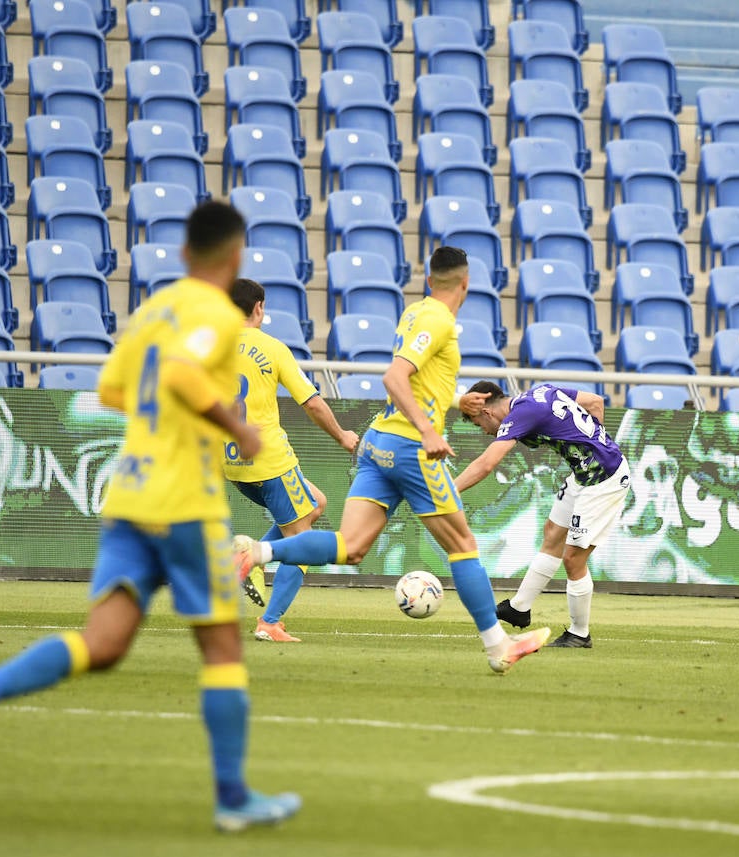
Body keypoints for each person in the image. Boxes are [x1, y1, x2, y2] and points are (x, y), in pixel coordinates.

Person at [0, 202, 303, 831]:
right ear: (234, 258)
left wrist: (165, 410)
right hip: (183, 502)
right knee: (222, 646)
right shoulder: (215, 313)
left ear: (185, 255)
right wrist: (234, 423)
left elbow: (109, 392)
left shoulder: (155, 312)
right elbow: (185, 374)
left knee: (102, 644)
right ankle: (233, 798)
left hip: (128, 495)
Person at [233, 246, 551, 673]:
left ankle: (258, 552)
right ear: (466, 283)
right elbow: (395, 377)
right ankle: (498, 647)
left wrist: (456, 399)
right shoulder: (440, 320)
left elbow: (413, 380)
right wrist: (427, 429)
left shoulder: (415, 313)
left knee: (351, 547)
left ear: (428, 279)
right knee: (462, 545)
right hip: (408, 447)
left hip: (377, 441)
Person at [224, 279, 360, 643]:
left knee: (315, 502)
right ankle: (269, 622)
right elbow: (312, 402)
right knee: (303, 543)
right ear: (259, 308)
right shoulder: (272, 349)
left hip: (233, 465)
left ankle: (248, 555)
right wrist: (344, 436)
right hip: (270, 461)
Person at [454, 380, 633, 648]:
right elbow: (596, 401)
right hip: (584, 475)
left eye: (481, 426)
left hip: (603, 480)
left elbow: (488, 462)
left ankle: (579, 634)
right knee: (552, 533)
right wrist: (593, 444)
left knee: (573, 559)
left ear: (487, 412)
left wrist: (451, 490)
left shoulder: (521, 414)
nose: (487, 432)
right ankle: (519, 608)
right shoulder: (541, 391)